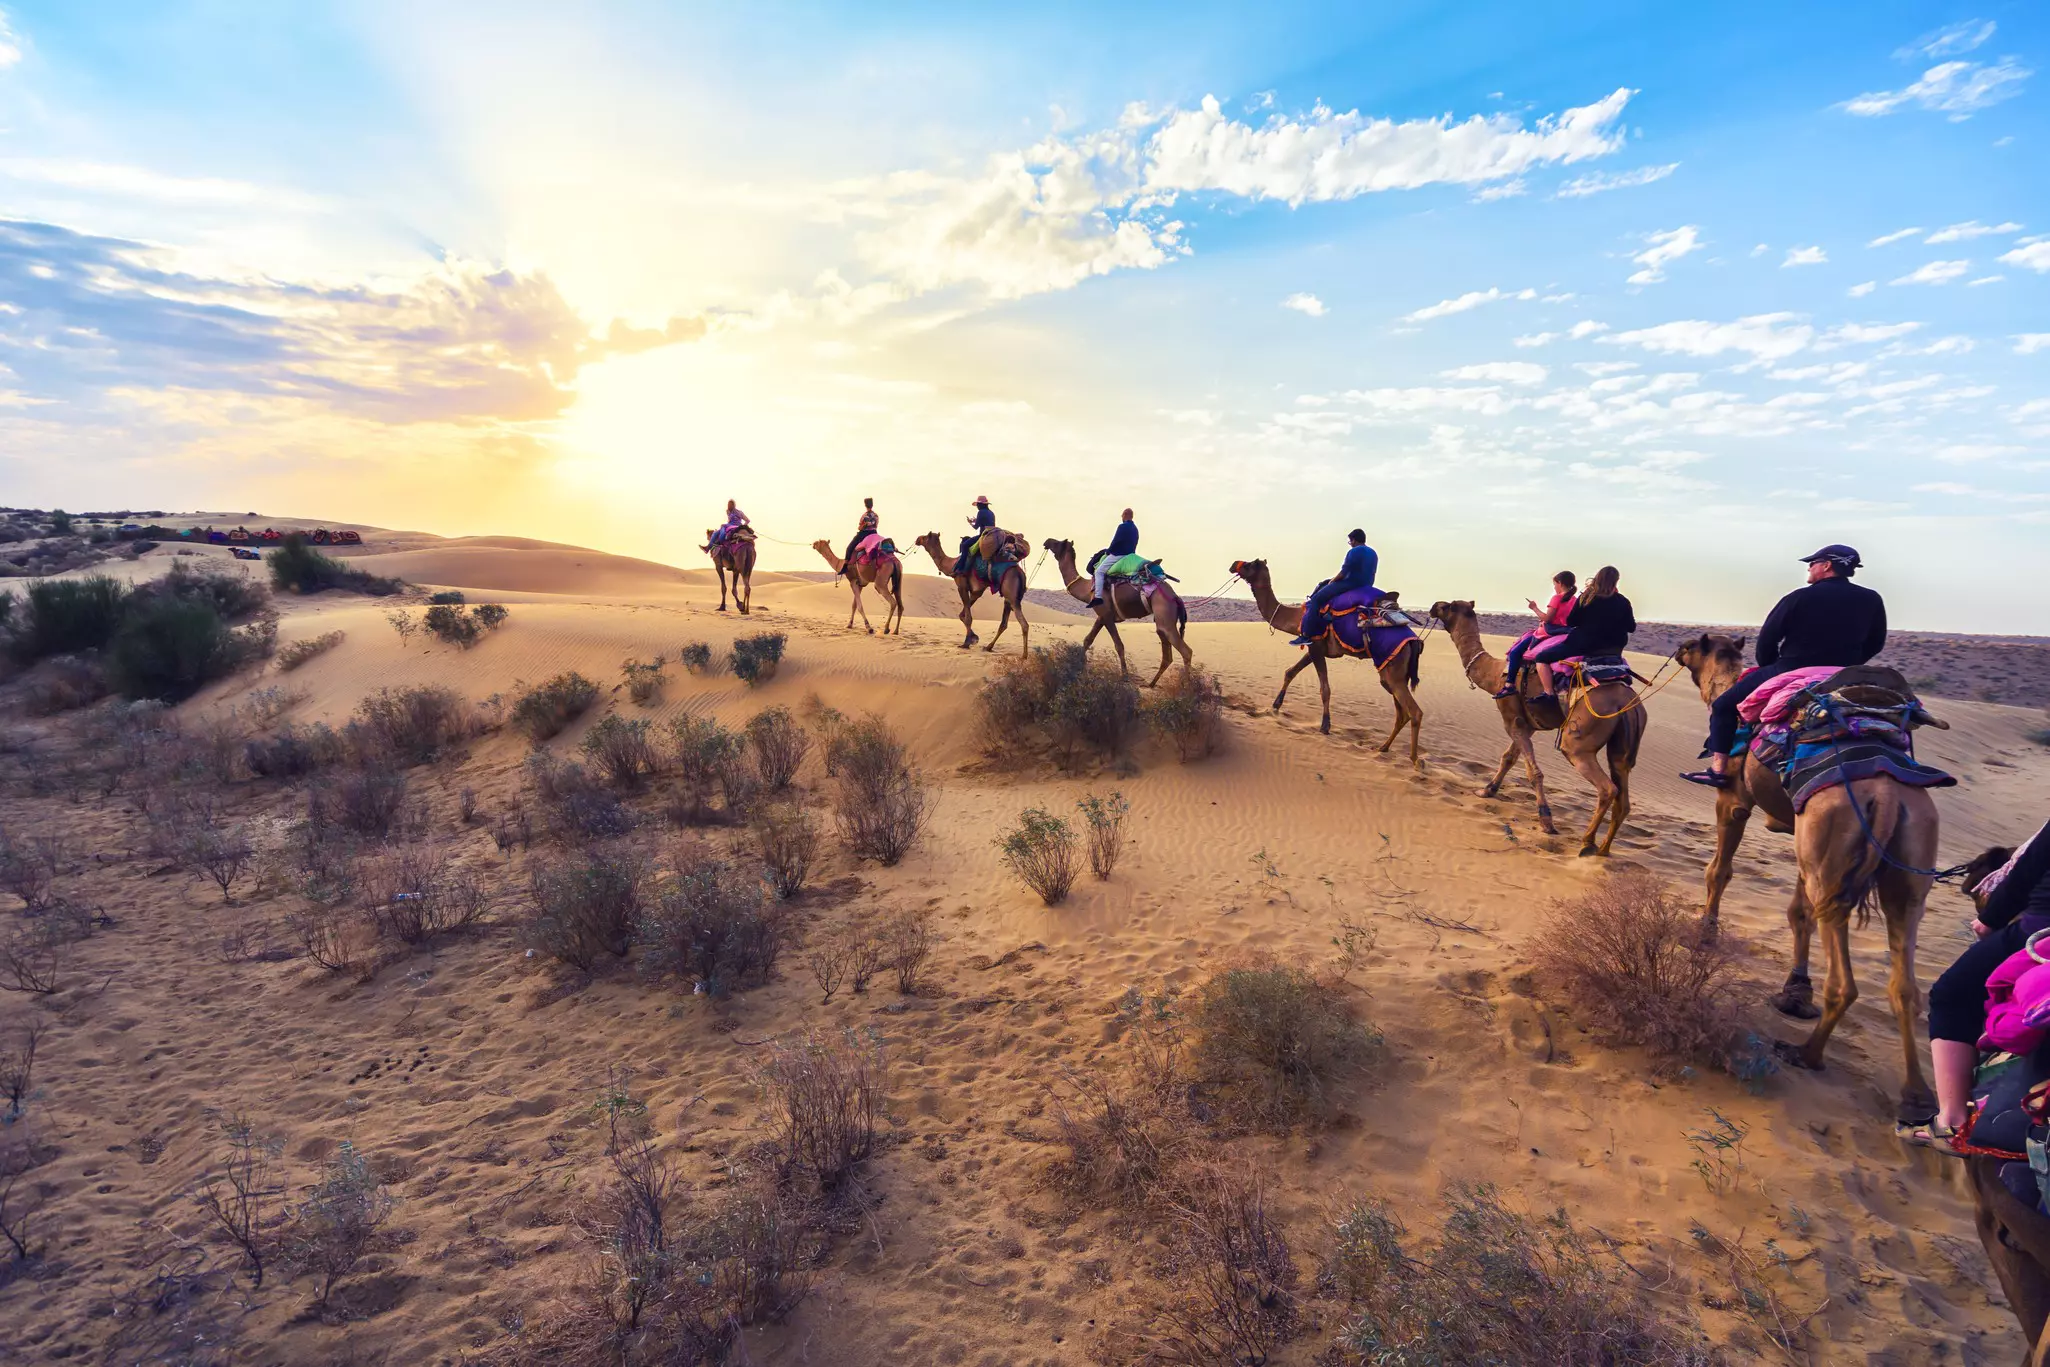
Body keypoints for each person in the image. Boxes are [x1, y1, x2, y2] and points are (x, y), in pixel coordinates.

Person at [1680, 544, 1887, 787]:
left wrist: (1770, 668)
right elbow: (1876, 642)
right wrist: (1848, 664)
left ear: (1827, 566)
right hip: (1844, 674)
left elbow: (1768, 639)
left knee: (1723, 705)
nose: (1809, 568)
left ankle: (1719, 769)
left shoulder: (1798, 597)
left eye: (1813, 563)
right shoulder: (1871, 599)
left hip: (1792, 669)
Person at [1909, 821, 2050, 1151]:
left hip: (2040, 931)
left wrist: (1990, 920)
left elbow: (2029, 868)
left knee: (1950, 995)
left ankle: (1950, 1123)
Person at [1493, 570, 1577, 699]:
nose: (1554, 588)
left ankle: (1509, 685)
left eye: (1555, 584)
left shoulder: (1557, 598)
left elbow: (1548, 618)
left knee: (1515, 652)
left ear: (1560, 583)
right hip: (1566, 633)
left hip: (1548, 634)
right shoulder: (1575, 600)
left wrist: (1534, 608)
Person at [1288, 529, 1378, 647]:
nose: (1350, 544)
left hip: (1350, 584)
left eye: (1350, 541)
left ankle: (1306, 635)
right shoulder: (1373, 553)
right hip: (1367, 585)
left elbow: (1344, 572)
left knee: (1316, 600)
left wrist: (1332, 581)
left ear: (1354, 540)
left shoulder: (1355, 551)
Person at [1090, 508, 1140, 607]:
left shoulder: (1122, 527)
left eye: (1122, 515)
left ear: (1125, 515)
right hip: (1130, 555)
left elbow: (1116, 542)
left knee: (1099, 572)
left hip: (1119, 554)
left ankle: (1098, 597)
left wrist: (1108, 552)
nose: (1121, 517)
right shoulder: (1135, 529)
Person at [839, 497, 880, 581]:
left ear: (865, 505)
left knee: (849, 548)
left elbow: (860, 527)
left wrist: (862, 526)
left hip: (864, 534)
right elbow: (875, 525)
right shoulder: (876, 515)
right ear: (872, 504)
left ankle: (845, 566)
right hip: (874, 533)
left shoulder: (865, 516)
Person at [958, 495, 996, 564]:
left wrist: (970, 523)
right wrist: (974, 520)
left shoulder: (980, 512)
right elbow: (984, 520)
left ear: (980, 505)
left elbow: (976, 527)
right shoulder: (991, 513)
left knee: (964, 545)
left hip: (983, 536)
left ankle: (961, 567)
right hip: (992, 535)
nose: (977, 507)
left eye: (978, 505)